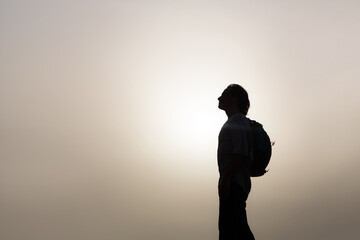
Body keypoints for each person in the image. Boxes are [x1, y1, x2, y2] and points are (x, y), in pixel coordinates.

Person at [217, 84, 255, 240]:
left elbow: (239, 153)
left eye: (224, 94)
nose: (219, 98)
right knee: (236, 228)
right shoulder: (234, 121)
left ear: (234, 98)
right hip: (233, 183)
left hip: (234, 184)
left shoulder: (238, 120)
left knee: (231, 230)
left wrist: (226, 180)